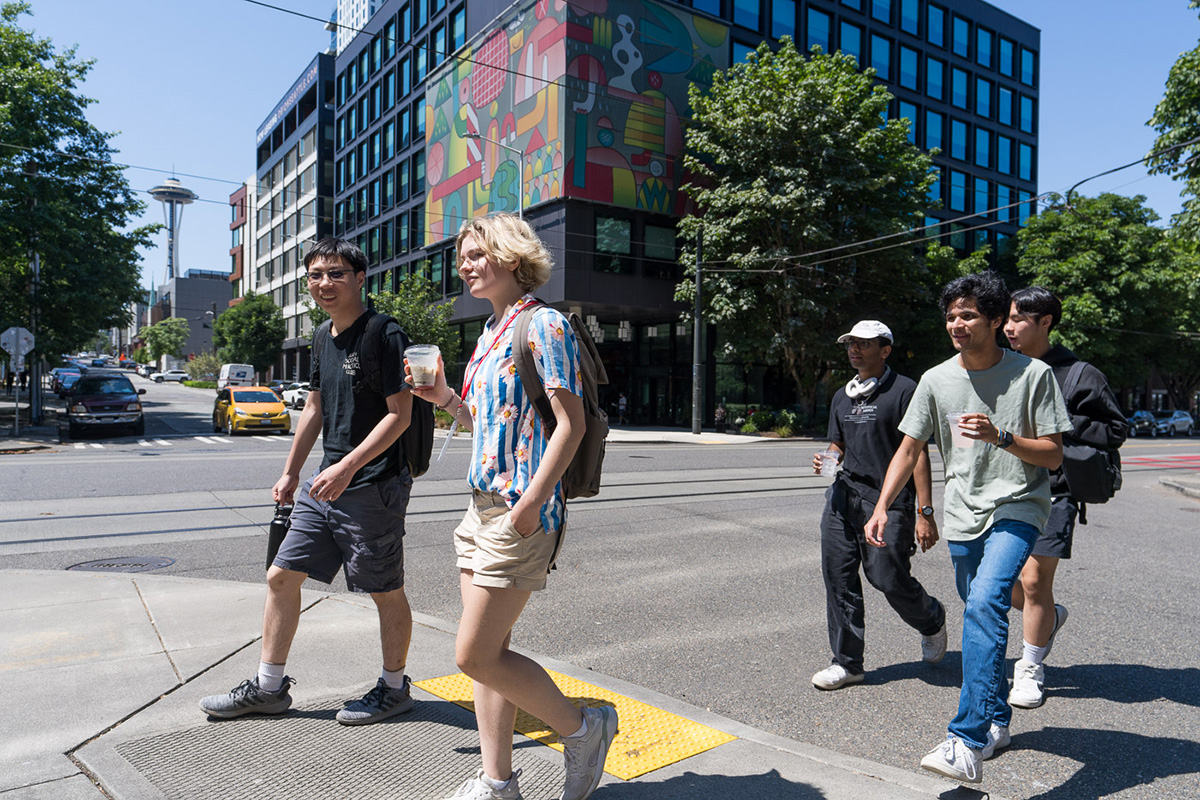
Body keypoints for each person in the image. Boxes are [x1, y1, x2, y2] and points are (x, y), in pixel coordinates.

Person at [410, 213, 617, 800]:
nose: (466, 265)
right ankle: (497, 781)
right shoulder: (491, 331)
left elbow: (570, 425)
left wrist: (530, 502)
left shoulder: (544, 324)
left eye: (477, 254)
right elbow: (488, 423)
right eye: (463, 257)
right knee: (488, 656)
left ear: (510, 255)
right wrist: (446, 398)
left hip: (518, 509)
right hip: (480, 507)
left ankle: (582, 728)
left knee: (472, 654)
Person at [199, 238, 418, 726]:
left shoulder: (384, 332)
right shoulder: (323, 334)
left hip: (373, 483)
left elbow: (399, 416)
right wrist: (292, 471)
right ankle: (269, 688)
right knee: (281, 576)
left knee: (383, 589)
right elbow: (314, 408)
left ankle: (395, 686)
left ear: (360, 278)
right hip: (326, 481)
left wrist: (348, 467)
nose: (325, 283)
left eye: (336, 273)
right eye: (316, 274)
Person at [864, 271, 1071, 784]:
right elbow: (909, 448)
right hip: (962, 514)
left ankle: (967, 738)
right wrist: (885, 507)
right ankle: (998, 720)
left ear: (997, 320)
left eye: (969, 314)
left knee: (983, 603)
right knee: (980, 608)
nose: (957, 323)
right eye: (951, 315)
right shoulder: (936, 379)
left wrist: (1001, 436)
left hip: (1018, 507)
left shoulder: (1032, 376)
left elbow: (1052, 455)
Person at [1003, 287, 1127, 708]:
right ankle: (1049, 617)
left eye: (1018, 319)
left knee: (1034, 580)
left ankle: (1030, 666)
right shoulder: (1003, 367)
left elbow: (1114, 431)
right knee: (992, 585)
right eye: (1006, 318)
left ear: (1045, 323)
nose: (1008, 327)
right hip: (1000, 488)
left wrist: (1058, 421)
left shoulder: (1079, 374)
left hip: (1054, 490)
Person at [810, 320, 946, 691]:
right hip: (842, 499)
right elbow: (838, 444)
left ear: (885, 350)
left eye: (864, 344)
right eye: (851, 344)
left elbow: (915, 453)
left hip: (889, 501)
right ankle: (847, 663)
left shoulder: (905, 391)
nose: (855, 349)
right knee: (838, 579)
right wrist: (827, 459)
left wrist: (925, 512)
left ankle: (931, 618)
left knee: (887, 577)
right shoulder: (843, 396)